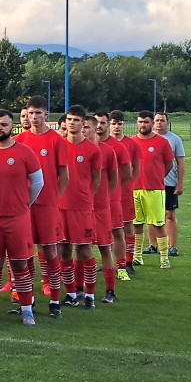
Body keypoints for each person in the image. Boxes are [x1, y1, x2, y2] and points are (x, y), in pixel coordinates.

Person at [0, 109, 44, 326]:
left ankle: (27, 309)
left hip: (17, 219)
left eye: (4, 125)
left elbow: (38, 183)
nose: (0, 128)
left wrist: (24, 204)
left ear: (12, 127)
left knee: (19, 265)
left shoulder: (25, 152)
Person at [16, 95, 69, 317]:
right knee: (24, 253)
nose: (34, 117)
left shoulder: (56, 140)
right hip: (24, 206)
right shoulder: (21, 140)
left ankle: (55, 300)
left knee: (49, 250)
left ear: (47, 115)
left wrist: (54, 199)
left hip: (47, 206)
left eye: (38, 113)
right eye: (31, 113)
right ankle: (27, 301)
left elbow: (63, 175)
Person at [58, 105, 102, 309]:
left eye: (76, 120)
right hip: (60, 207)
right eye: (69, 119)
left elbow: (96, 179)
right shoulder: (58, 146)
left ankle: (90, 295)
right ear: (65, 122)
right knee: (64, 251)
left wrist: (85, 197)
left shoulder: (92, 149)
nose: (72, 123)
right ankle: (71, 293)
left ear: (83, 123)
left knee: (84, 251)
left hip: (82, 207)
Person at [132, 110, 175, 269]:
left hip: (155, 190)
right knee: (136, 224)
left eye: (146, 122)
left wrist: (158, 177)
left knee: (158, 224)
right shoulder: (131, 142)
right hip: (135, 188)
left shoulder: (162, 142)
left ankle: (164, 258)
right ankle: (137, 256)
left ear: (151, 124)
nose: (143, 125)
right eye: (140, 122)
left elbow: (169, 163)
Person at [96, 111, 132, 293]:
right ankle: (103, 266)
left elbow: (126, 173)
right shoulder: (89, 146)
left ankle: (122, 267)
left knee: (118, 231)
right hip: (92, 201)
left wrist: (112, 189)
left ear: (108, 124)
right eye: (96, 122)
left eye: (102, 122)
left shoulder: (116, 147)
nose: (99, 126)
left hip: (113, 198)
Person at [87, 114, 119, 303]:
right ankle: (79, 289)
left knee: (105, 247)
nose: (84, 130)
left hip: (100, 207)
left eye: (87, 127)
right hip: (80, 208)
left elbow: (115, 179)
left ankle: (110, 290)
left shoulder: (107, 151)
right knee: (81, 248)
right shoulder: (71, 149)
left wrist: (103, 197)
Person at [109, 110, 142, 275]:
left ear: (124, 125)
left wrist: (126, 184)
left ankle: (128, 262)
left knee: (128, 227)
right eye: (113, 123)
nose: (116, 127)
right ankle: (111, 262)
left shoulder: (131, 144)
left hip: (124, 192)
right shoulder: (103, 143)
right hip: (106, 194)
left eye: (119, 124)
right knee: (108, 228)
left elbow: (135, 170)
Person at [153, 113, 186, 258]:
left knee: (169, 215)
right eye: (157, 121)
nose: (159, 123)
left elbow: (180, 163)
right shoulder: (147, 138)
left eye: (162, 121)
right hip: (150, 183)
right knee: (151, 216)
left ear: (167, 123)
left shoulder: (175, 139)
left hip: (169, 182)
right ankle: (153, 246)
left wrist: (179, 184)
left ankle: (172, 247)